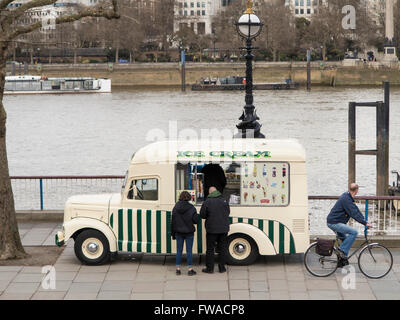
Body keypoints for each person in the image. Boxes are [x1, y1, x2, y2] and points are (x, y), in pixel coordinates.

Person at [327, 183, 372, 266]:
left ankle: (341, 262)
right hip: (334, 222)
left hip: (335, 221)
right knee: (354, 232)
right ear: (356, 191)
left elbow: (355, 210)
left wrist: (365, 221)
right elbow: (354, 213)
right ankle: (341, 251)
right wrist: (365, 223)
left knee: (345, 240)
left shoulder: (347, 197)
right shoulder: (346, 199)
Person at [200, 186, 230, 273]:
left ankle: (210, 268)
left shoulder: (207, 201)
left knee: (210, 249)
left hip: (212, 229)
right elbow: (228, 212)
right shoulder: (224, 200)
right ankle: (222, 268)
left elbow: (202, 215)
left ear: (210, 193)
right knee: (222, 248)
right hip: (224, 229)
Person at [171, 191, 199, 276]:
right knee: (189, 251)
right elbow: (195, 221)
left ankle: (178, 269)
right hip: (189, 232)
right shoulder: (191, 208)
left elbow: (173, 222)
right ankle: (190, 270)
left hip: (179, 232)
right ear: (189, 198)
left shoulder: (175, 207)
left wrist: (173, 234)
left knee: (179, 251)